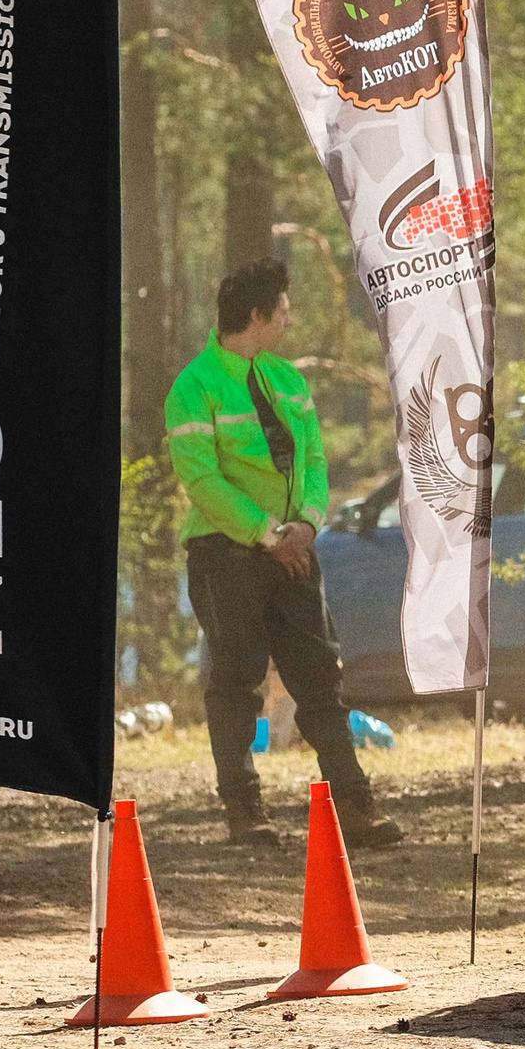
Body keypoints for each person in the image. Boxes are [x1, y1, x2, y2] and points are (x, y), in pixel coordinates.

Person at [166, 258, 402, 850]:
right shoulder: (193, 387)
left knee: (322, 681)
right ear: (257, 316)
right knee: (236, 682)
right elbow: (203, 482)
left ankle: (356, 809)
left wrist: (306, 525)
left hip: (294, 551)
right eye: (284, 311)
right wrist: (267, 534)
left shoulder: (289, 381)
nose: (290, 321)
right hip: (228, 555)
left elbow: (317, 461)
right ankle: (246, 814)